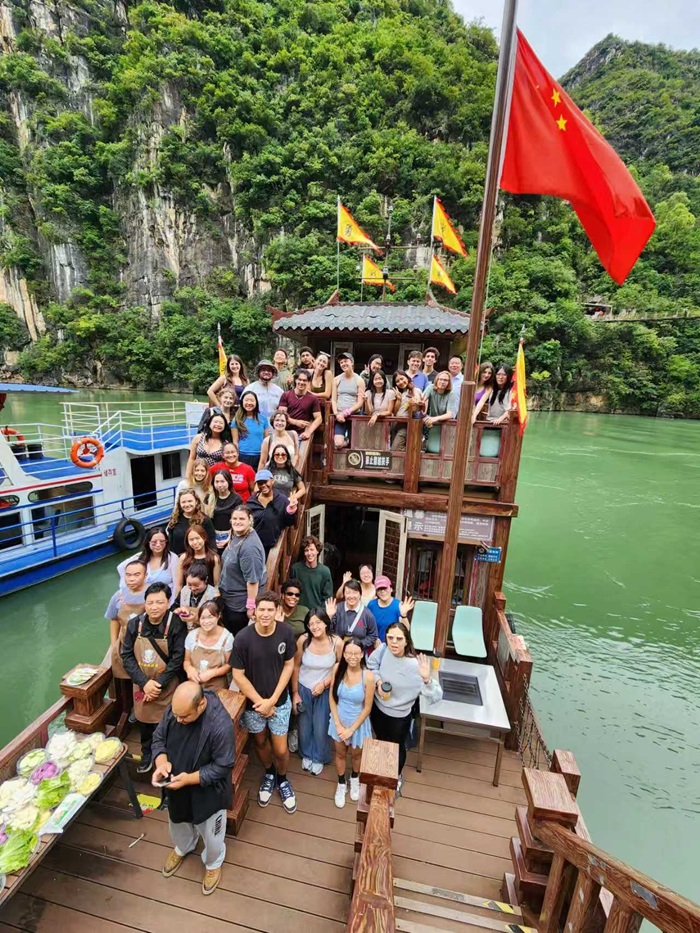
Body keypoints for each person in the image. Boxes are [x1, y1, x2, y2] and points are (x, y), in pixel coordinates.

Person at [152, 682, 234, 896]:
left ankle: (213, 862)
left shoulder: (220, 725)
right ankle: (183, 846)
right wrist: (161, 762)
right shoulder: (175, 709)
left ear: (201, 704)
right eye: (176, 715)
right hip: (177, 784)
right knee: (177, 821)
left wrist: (190, 779)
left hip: (208, 791)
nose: (178, 720)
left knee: (212, 832)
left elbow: (222, 766)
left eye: (185, 717)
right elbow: (159, 737)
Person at [231, 590, 297, 814]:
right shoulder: (242, 638)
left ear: (278, 611)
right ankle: (269, 773)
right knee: (259, 742)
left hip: (279, 702)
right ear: (254, 611)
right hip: (254, 705)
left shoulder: (286, 633)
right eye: (262, 609)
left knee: (280, 748)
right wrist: (261, 702)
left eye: (271, 609)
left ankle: (283, 778)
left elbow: (289, 665)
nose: (266, 614)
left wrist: (273, 700)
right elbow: (238, 675)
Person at [367, 621, 442, 791]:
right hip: (378, 709)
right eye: (390, 637)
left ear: (407, 641)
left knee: (397, 747)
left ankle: (396, 776)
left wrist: (426, 679)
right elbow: (371, 665)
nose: (394, 642)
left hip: (400, 716)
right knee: (380, 740)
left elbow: (436, 696)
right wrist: (378, 681)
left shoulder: (415, 665)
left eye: (399, 639)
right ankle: (380, 772)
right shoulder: (383, 650)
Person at [121, 582, 187, 773]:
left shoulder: (175, 624)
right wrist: (144, 683)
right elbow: (126, 656)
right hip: (142, 681)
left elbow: (177, 658)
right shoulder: (135, 624)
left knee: (166, 720)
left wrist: (158, 684)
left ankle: (166, 754)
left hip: (166, 683)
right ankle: (146, 751)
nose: (154, 607)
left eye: (159, 602)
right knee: (144, 718)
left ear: (168, 603)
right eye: (150, 603)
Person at [292, 609, 342, 775]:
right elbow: (296, 665)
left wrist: (325, 684)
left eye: (318, 622)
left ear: (326, 622)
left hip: (325, 690)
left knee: (321, 726)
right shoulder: (303, 640)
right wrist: (295, 693)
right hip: (304, 687)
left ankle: (319, 756)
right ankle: (306, 753)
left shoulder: (336, 642)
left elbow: (341, 666)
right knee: (305, 725)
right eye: (311, 623)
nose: (315, 626)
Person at [328, 639, 374, 808]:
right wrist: (338, 725)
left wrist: (351, 729)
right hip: (339, 718)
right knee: (340, 753)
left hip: (358, 722)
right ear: (344, 653)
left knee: (356, 755)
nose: (352, 656)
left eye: (356, 653)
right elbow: (332, 698)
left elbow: (367, 708)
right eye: (348, 653)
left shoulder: (368, 676)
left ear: (362, 655)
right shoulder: (337, 669)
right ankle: (341, 783)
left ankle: (355, 778)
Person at [218, 505, 267, 635]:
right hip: (228, 598)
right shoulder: (238, 534)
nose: (237, 522)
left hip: (239, 606)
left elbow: (252, 580)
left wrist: (251, 607)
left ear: (250, 520)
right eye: (234, 518)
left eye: (242, 518)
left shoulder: (250, 547)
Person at [105, 559, 148, 691]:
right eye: (128, 575)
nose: (131, 579)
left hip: (146, 644)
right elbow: (114, 619)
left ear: (145, 576)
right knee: (124, 678)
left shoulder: (151, 594)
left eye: (136, 575)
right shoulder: (118, 596)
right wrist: (114, 644)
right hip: (125, 643)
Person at [183, 601, 233, 692]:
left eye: (210, 617)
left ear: (218, 616)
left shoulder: (227, 638)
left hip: (217, 687)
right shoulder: (192, 636)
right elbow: (186, 661)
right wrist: (189, 669)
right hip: (194, 684)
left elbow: (229, 665)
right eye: (203, 618)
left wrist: (213, 673)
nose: (206, 622)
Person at [247, 469, 298, 556]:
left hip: (272, 546)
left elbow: (290, 522)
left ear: (272, 481)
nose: (263, 485)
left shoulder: (282, 500)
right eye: (260, 483)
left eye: (265, 482)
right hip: (254, 546)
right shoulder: (251, 502)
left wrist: (291, 510)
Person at [325, 580, 379, 652]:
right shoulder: (337, 609)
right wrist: (329, 617)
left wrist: (359, 644)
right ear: (344, 594)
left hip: (357, 652)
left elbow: (373, 635)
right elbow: (329, 632)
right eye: (348, 593)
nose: (351, 596)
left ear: (360, 594)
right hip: (338, 650)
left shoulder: (367, 614)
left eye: (355, 592)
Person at [167, 489, 217, 556]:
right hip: (178, 559)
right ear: (179, 504)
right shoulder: (175, 519)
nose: (187, 504)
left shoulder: (204, 520)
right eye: (183, 502)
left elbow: (211, 541)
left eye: (190, 501)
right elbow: (170, 542)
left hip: (198, 560)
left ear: (196, 502)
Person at [174, 525, 220, 595]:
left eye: (198, 538)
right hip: (188, 596)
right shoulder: (184, 558)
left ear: (204, 538)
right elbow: (179, 584)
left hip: (207, 597)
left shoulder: (213, 558)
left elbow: (216, 584)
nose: (195, 542)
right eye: (191, 540)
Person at [331, 352, 364, 450]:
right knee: (338, 444)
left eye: (346, 361)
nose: (343, 364)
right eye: (341, 362)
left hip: (354, 415)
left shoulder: (359, 380)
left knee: (355, 444)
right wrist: (336, 413)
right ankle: (347, 440)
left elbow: (360, 402)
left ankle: (349, 441)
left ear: (352, 362)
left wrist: (346, 413)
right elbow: (333, 399)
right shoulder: (336, 379)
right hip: (339, 415)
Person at [279, 369, 323, 441]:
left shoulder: (313, 398)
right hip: (285, 433)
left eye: (305, 380)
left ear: (308, 382)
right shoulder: (286, 395)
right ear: (295, 380)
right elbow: (281, 414)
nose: (301, 382)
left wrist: (308, 432)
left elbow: (319, 418)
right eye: (299, 379)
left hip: (301, 435)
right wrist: (295, 422)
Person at [291, 535, 333, 609]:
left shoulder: (325, 571)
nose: (309, 553)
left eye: (312, 549)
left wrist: (319, 613)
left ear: (317, 551)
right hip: (299, 611)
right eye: (306, 550)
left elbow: (327, 597)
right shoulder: (296, 569)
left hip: (316, 613)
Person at [368, 576, 415, 643]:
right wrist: (374, 639)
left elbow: (406, 629)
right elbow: (367, 626)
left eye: (385, 588)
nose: (382, 591)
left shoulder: (398, 605)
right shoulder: (371, 605)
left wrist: (403, 615)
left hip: (393, 644)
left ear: (391, 589)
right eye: (379, 589)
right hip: (374, 644)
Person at [172, 564, 219, 630]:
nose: (193, 588)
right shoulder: (184, 590)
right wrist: (177, 611)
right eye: (189, 584)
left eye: (197, 585)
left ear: (206, 580)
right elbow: (174, 607)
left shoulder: (215, 595)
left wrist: (196, 618)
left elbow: (217, 619)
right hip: (184, 630)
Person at [232, 391, 271, 468]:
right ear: (242, 402)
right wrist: (236, 456)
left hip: (260, 456)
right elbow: (235, 441)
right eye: (246, 400)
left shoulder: (263, 419)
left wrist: (267, 456)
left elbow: (267, 440)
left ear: (256, 402)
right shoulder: (237, 420)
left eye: (252, 400)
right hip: (242, 455)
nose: (249, 403)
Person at [422, 371, 458, 453]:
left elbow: (451, 414)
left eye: (445, 380)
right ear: (436, 380)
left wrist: (435, 418)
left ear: (449, 382)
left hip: (445, 424)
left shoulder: (452, 393)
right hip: (431, 423)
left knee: (443, 450)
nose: (442, 382)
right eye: (440, 379)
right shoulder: (431, 388)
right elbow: (422, 400)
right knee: (429, 449)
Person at [211, 470, 243, 552]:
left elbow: (239, 521)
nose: (219, 485)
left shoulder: (237, 499)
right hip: (213, 538)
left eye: (222, 481)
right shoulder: (209, 498)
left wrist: (230, 538)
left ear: (228, 482)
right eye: (217, 482)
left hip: (231, 537)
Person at [390, 371, 423, 451]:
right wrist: (398, 399)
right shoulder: (396, 393)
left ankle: (415, 450)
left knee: (395, 448)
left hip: (407, 424)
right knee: (394, 448)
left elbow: (418, 404)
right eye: (397, 381)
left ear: (407, 377)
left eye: (402, 378)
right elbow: (394, 411)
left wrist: (413, 391)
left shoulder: (416, 390)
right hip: (396, 424)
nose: (400, 382)